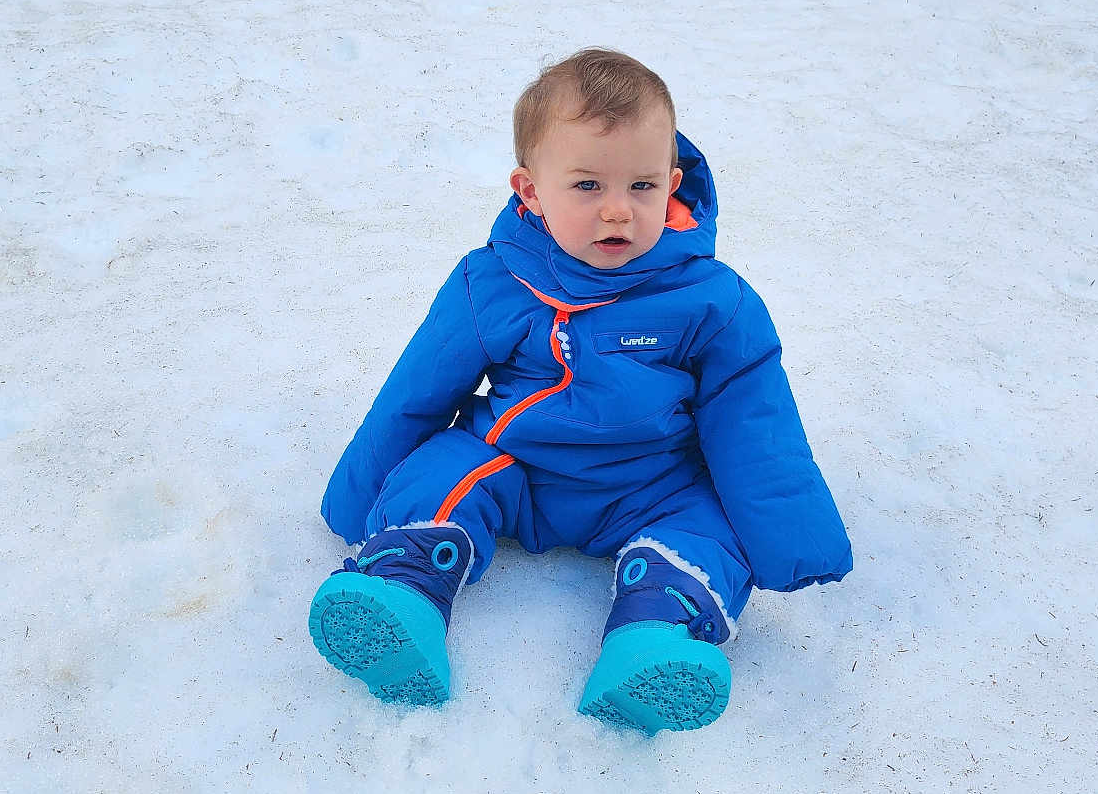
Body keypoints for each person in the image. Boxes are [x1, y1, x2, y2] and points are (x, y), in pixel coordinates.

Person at [309, 48, 851, 734]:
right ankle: (403, 589)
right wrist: (355, 498)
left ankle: (655, 635)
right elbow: (416, 391)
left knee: (706, 528)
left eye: (642, 186)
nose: (618, 211)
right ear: (532, 191)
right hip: (516, 469)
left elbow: (755, 424)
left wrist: (795, 542)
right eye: (588, 186)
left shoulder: (714, 302)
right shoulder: (492, 282)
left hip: (652, 485)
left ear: (672, 184)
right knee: (442, 466)